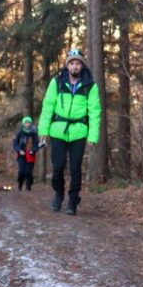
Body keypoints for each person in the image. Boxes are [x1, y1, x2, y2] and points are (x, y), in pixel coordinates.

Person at [37, 49, 102, 215]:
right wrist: (43, 130)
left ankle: (73, 200)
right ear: (67, 65)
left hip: (79, 132)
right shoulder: (57, 82)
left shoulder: (90, 86)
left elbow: (94, 112)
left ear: (82, 65)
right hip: (58, 130)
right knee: (57, 167)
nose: (75, 66)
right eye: (72, 63)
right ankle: (58, 193)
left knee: (75, 168)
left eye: (78, 63)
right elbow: (48, 106)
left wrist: (93, 135)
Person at [12, 116, 40, 191]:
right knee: (21, 171)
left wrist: (33, 150)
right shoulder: (20, 132)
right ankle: (20, 184)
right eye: (26, 123)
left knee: (28, 172)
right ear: (23, 124)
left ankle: (29, 186)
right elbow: (15, 143)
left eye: (29, 123)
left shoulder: (34, 133)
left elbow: (37, 144)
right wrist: (19, 150)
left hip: (30, 155)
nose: (27, 124)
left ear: (31, 123)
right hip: (21, 154)